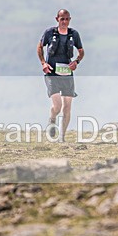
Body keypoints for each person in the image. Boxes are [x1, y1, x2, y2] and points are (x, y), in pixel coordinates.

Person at [36, 9, 84, 141]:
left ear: (70, 19)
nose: (64, 22)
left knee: (67, 107)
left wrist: (76, 62)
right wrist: (43, 63)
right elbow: (40, 47)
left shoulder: (74, 34)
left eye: (67, 19)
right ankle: (52, 119)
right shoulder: (49, 33)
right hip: (51, 73)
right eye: (62, 19)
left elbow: (81, 51)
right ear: (57, 19)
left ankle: (62, 137)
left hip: (67, 73)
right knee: (57, 106)